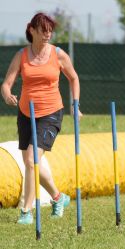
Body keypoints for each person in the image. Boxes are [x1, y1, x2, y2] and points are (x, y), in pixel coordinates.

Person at [1, 12, 82, 224]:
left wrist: (75, 105)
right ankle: (58, 197)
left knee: (31, 159)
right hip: (26, 113)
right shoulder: (21, 55)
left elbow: (73, 79)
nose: (48, 35)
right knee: (32, 161)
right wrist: (8, 95)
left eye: (50, 31)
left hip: (51, 113)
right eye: (43, 30)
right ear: (32, 30)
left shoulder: (58, 54)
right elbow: (6, 84)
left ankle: (26, 211)